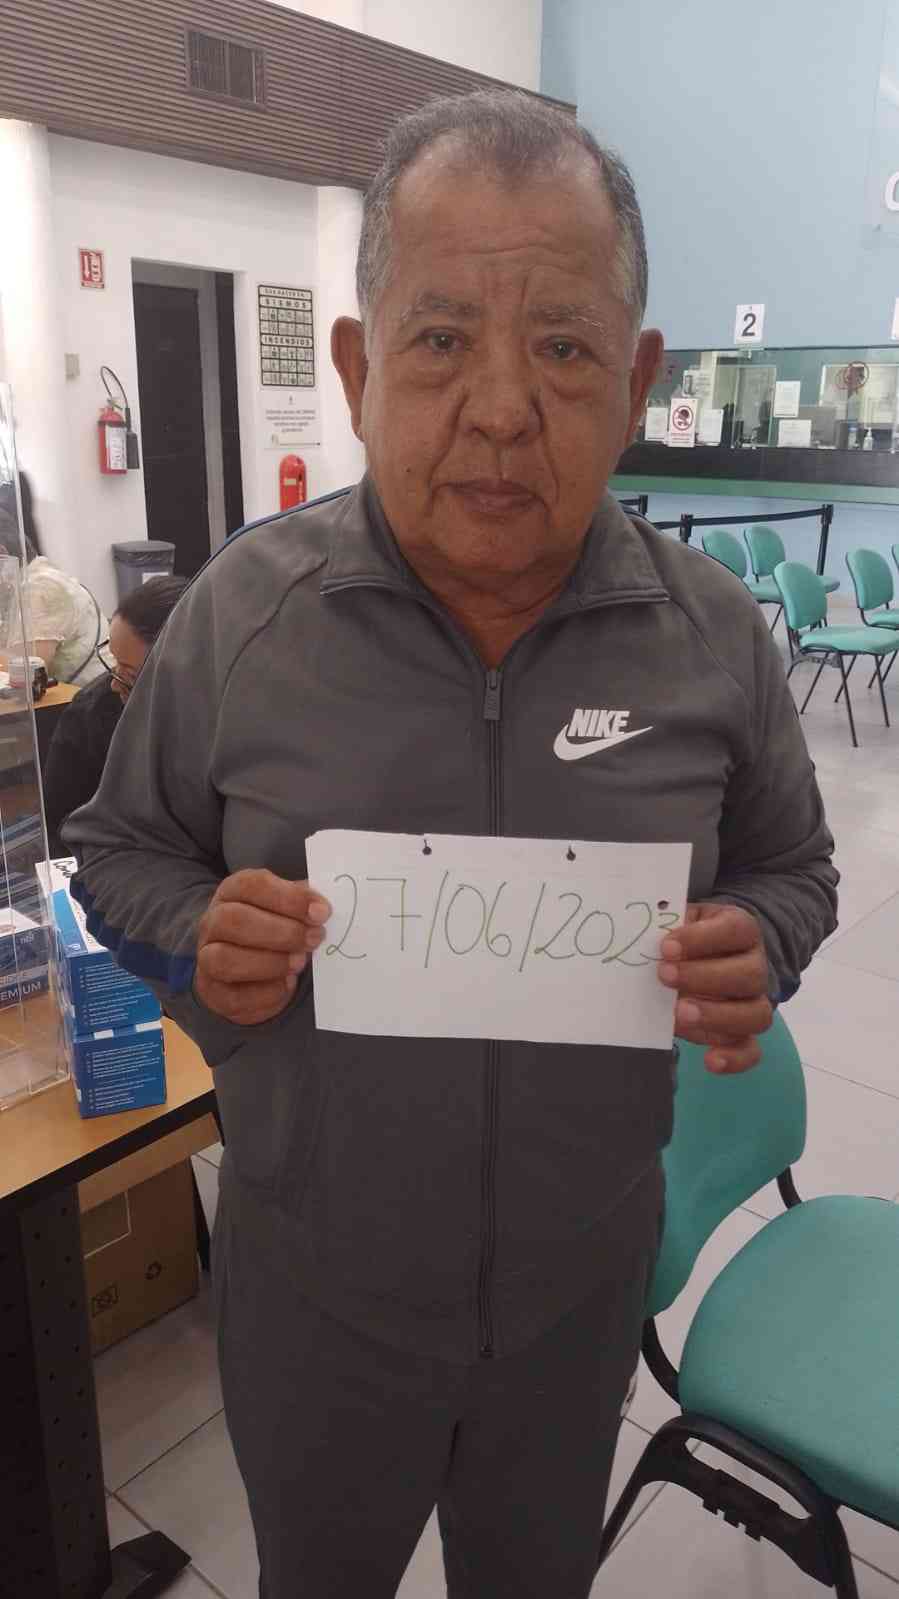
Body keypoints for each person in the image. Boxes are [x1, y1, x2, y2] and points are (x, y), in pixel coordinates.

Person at [65, 90, 838, 1599]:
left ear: (634, 379)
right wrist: (196, 930)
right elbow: (116, 851)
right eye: (438, 339)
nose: (499, 407)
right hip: (315, 1288)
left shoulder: (711, 636)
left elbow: (792, 870)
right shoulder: (241, 617)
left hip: (576, 1289)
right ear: (358, 371)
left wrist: (759, 941)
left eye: (561, 348)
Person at [42, 575, 186, 855]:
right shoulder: (90, 715)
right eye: (114, 662)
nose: (114, 683)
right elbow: (61, 827)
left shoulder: (226, 711)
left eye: (129, 674)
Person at [0, 474, 109, 684]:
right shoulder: (17, 585)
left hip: (89, 699)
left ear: (2, 554)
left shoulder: (40, 588)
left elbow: (25, 676)